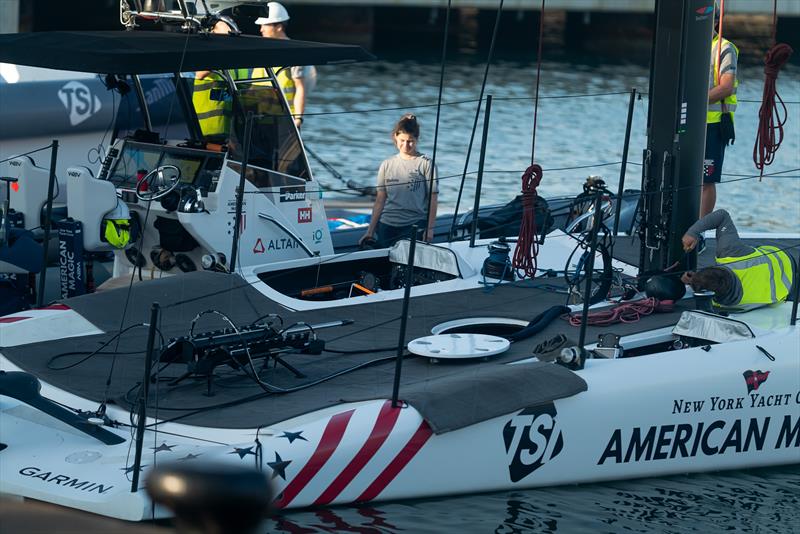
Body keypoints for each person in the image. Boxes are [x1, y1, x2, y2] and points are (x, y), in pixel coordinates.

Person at [680, 209, 793, 309]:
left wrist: (694, 281)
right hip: (780, 255)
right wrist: (692, 232)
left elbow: (710, 289)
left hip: (788, 286)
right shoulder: (730, 252)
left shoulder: (729, 306)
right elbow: (722, 215)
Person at [359, 114, 438, 248]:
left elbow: (433, 198)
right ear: (395, 137)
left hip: (414, 224)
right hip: (387, 225)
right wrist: (370, 231)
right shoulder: (386, 164)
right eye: (402, 140)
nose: (406, 145)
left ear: (417, 139)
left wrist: (430, 229)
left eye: (410, 141)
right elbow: (380, 200)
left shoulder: (426, 164)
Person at [701, 5, 739, 217]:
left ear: (716, 21)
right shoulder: (688, 45)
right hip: (687, 122)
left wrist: (697, 103)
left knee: (706, 180)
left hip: (713, 125)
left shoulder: (724, 48)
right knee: (685, 178)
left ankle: (698, 230)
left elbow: (726, 86)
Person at [256, 2, 317, 129]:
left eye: (265, 25)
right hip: (258, 119)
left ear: (278, 27)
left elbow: (301, 88)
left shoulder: (294, 53)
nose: (261, 29)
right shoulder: (261, 51)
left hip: (283, 122)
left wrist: (298, 119)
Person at [193, 18, 249, 140]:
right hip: (208, 130)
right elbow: (201, 73)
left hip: (226, 130)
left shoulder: (230, 60)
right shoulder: (214, 57)